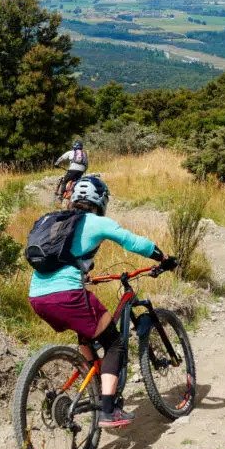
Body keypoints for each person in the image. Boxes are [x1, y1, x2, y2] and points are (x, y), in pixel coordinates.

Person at [27, 176, 174, 428]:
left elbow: (58, 258)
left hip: (37, 297)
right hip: (68, 295)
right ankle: (108, 410)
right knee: (114, 342)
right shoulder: (95, 222)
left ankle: (94, 386)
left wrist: (84, 274)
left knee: (87, 332)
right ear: (101, 200)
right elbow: (134, 242)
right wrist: (163, 258)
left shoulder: (53, 221)